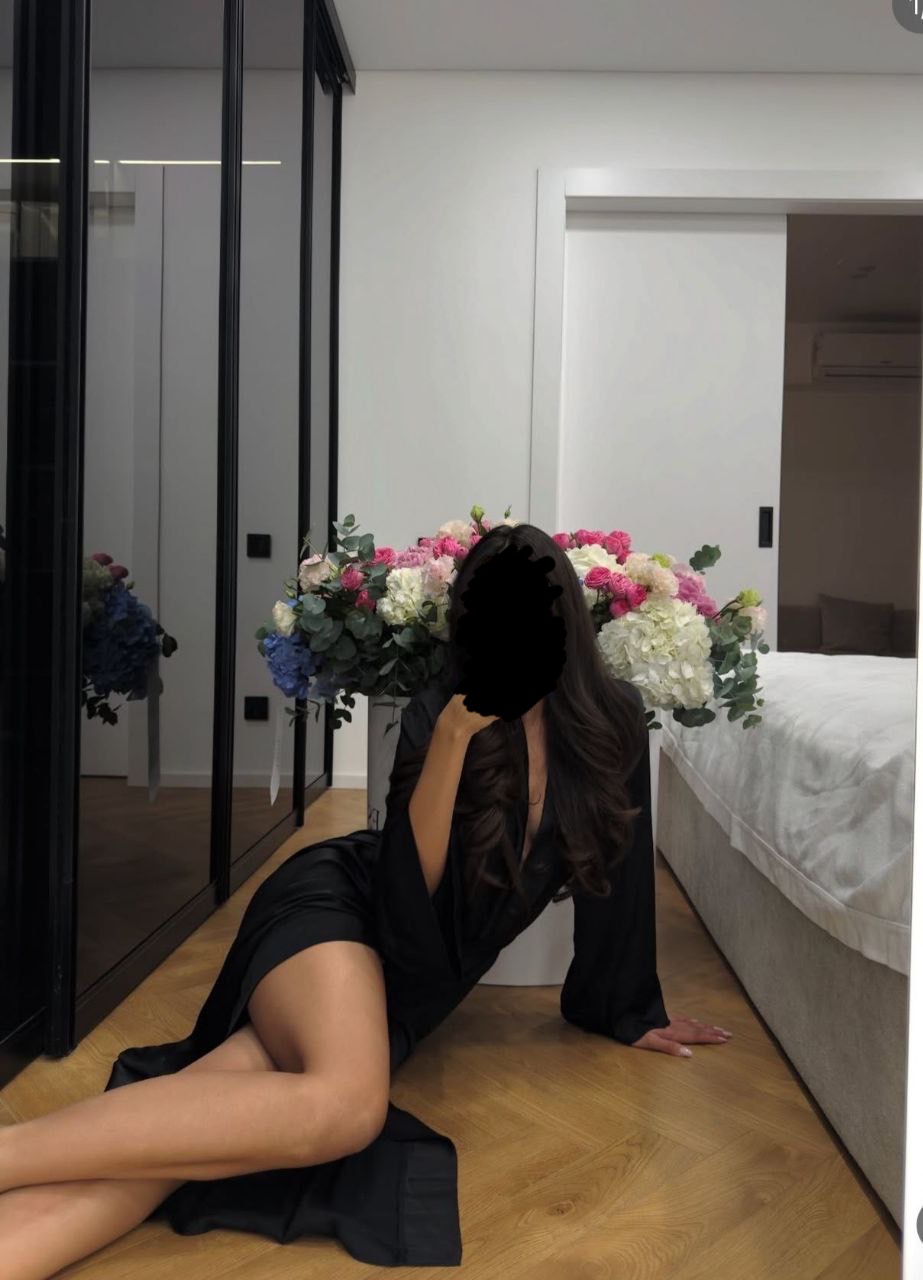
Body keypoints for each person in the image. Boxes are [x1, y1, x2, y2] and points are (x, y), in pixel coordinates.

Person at [0, 522, 731, 1278]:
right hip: (347, 911)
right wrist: (451, 740)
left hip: (416, 982)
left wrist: (627, 1006)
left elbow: (620, 875)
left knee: (191, 1136)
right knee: (346, 1109)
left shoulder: (611, 721)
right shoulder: (439, 711)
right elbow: (407, 886)